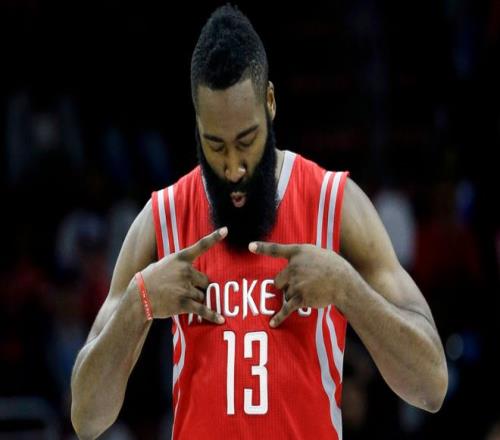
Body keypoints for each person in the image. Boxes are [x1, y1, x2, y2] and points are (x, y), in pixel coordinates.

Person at [70, 5, 448, 439]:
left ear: (270, 102)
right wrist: (141, 302)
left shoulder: (334, 203)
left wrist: (347, 288)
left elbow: (430, 386)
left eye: (246, 141)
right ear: (197, 121)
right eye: (216, 145)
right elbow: (87, 418)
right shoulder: (163, 217)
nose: (233, 167)